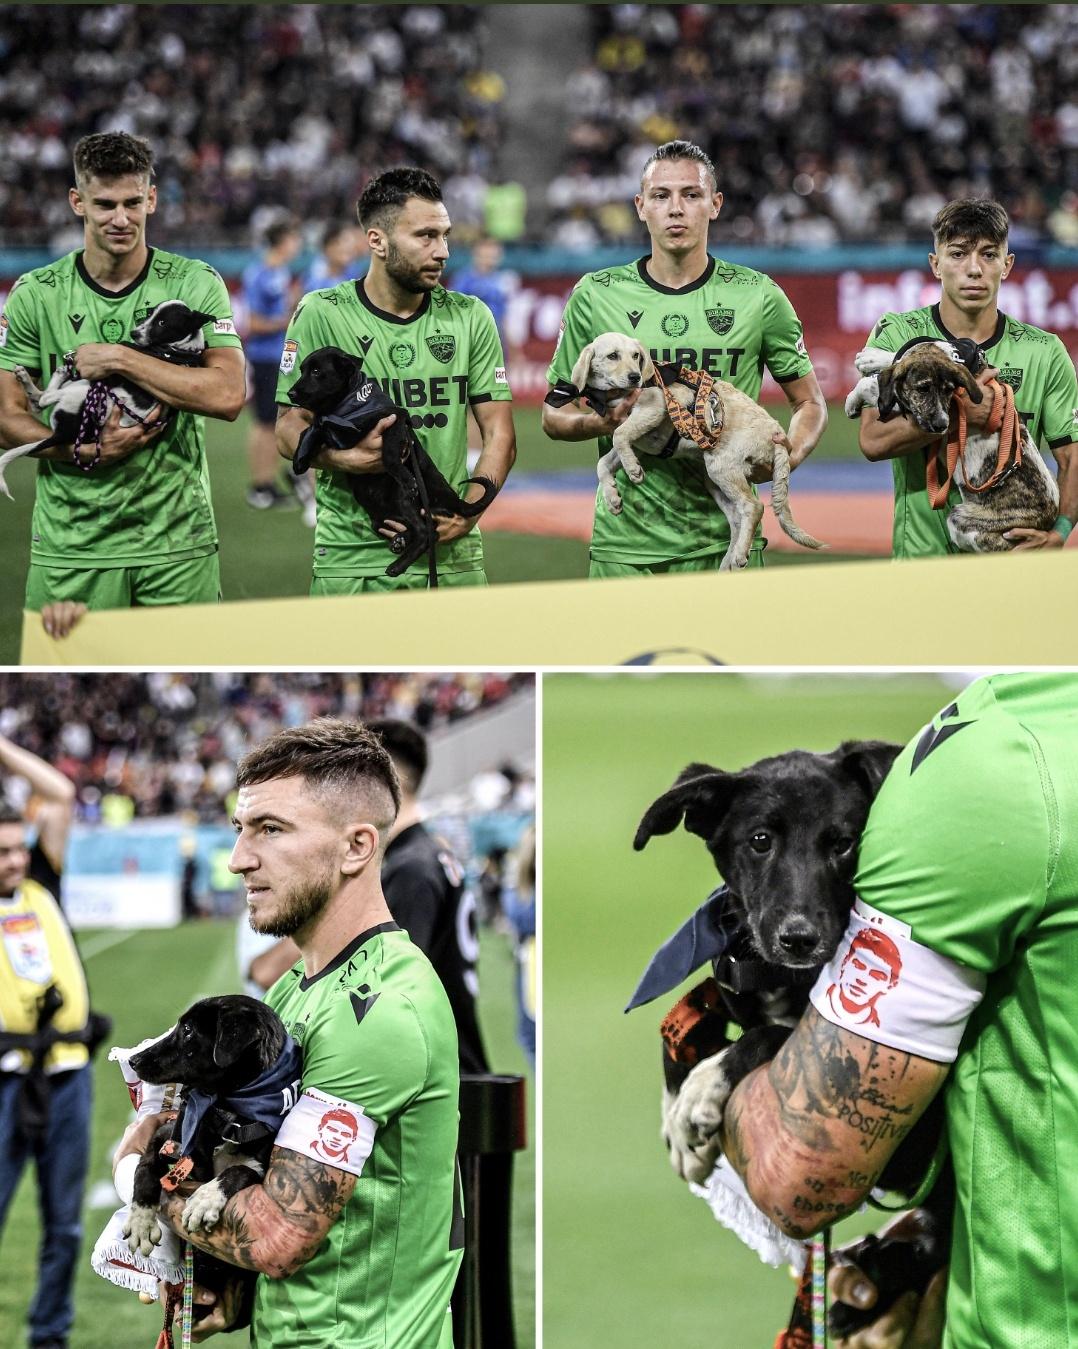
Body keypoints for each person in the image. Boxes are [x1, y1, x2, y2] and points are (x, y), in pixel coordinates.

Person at [681, 673, 1078, 1348]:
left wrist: (734, 1061)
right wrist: (936, 1240)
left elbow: (803, 1171)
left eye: (837, 845)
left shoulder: (988, 763)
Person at [116, 718, 463, 1347]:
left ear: (358, 847)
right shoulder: (291, 991)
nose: (239, 859)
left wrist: (139, 1179)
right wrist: (239, 1291)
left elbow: (277, 1239)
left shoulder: (380, 1010)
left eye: (271, 830)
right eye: (241, 830)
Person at [542, 139, 827, 577]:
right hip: (626, 547)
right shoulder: (594, 295)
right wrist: (607, 422)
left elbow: (809, 403)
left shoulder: (759, 295)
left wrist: (785, 458)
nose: (676, 209)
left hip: (725, 544)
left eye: (690, 195)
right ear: (641, 206)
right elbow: (553, 415)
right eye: (661, 196)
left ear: (714, 205)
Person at [0, 131, 246, 613]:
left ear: (152, 199)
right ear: (78, 202)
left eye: (133, 202)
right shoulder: (35, 294)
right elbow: (3, 410)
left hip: (178, 543)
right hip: (72, 546)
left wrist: (119, 358)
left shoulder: (194, 284)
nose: (121, 218)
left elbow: (227, 395)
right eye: (105, 203)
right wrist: (78, 450)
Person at [274, 167, 516, 593]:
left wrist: (471, 511)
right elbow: (288, 427)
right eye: (425, 236)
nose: (442, 250)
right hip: (350, 563)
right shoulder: (320, 312)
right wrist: (344, 459)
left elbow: (500, 433)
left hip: (455, 560)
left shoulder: (471, 316)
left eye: (445, 235)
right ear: (377, 241)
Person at [856, 199, 1078, 558]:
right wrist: (960, 415)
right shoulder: (897, 336)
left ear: (1006, 266)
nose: (974, 269)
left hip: (1010, 562)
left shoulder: (1044, 351)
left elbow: (1072, 457)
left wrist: (1061, 532)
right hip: (922, 564)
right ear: (936, 264)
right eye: (958, 254)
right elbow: (872, 440)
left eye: (989, 255)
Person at [0, 734, 90, 1349]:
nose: (11, 860)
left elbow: (59, 794)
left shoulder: (41, 884)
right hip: (4, 1079)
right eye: (0, 852)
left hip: (67, 1074)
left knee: (64, 1227)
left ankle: (49, 1335)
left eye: (14, 849)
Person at [369, 718, 489, 1074]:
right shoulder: (432, 853)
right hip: (455, 1067)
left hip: (440, 1082)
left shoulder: (411, 870)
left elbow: (393, 997)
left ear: (387, 783)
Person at [240, 215, 304, 510]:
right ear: (283, 241)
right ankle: (260, 487)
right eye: (294, 238)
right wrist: (286, 321)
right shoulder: (259, 273)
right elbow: (251, 321)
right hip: (265, 358)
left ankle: (280, 478)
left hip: (282, 358)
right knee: (265, 423)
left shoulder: (281, 272)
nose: (299, 244)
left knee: (283, 419)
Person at [452, 236, 513, 352]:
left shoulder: (500, 281)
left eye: (493, 256)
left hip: (496, 335)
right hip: (472, 334)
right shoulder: (464, 280)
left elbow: (503, 316)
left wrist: (512, 345)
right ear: (476, 255)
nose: (489, 259)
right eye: (485, 255)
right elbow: (453, 311)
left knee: (498, 369)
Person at [300, 220, 369, 294]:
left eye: (351, 241)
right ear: (328, 246)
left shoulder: (355, 272)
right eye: (344, 241)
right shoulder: (312, 275)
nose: (349, 247)